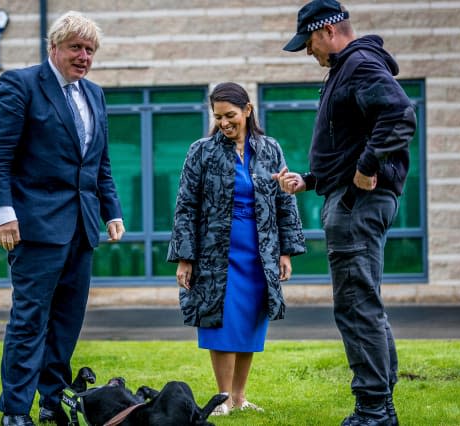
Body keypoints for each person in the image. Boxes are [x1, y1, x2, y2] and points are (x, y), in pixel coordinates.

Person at [276, 1, 417, 425]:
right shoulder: (346, 69)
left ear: (327, 31)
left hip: (359, 204)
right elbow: (349, 139)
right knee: (364, 304)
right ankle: (382, 407)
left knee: (356, 306)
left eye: (308, 43)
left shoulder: (357, 64)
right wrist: (312, 179)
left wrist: (365, 171)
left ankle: (373, 410)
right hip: (350, 198)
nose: (308, 53)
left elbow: (399, 115)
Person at [0, 11, 125, 426]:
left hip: (82, 228)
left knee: (66, 322)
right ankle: (15, 410)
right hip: (34, 227)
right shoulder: (21, 84)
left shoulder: (94, 94)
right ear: (54, 48)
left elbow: (100, 163)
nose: (84, 56)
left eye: (90, 50)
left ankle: (51, 400)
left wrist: (110, 210)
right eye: (76, 48)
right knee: (30, 320)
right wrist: (3, 215)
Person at [168, 82, 305, 415]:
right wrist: (185, 257)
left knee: (249, 321)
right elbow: (186, 204)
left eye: (230, 115)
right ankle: (223, 398)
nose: (224, 123)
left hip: (260, 249)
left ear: (248, 110)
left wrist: (285, 251)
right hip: (216, 251)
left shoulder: (271, 149)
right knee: (221, 321)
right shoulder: (200, 150)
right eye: (218, 117)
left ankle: (240, 397)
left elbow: (284, 201)